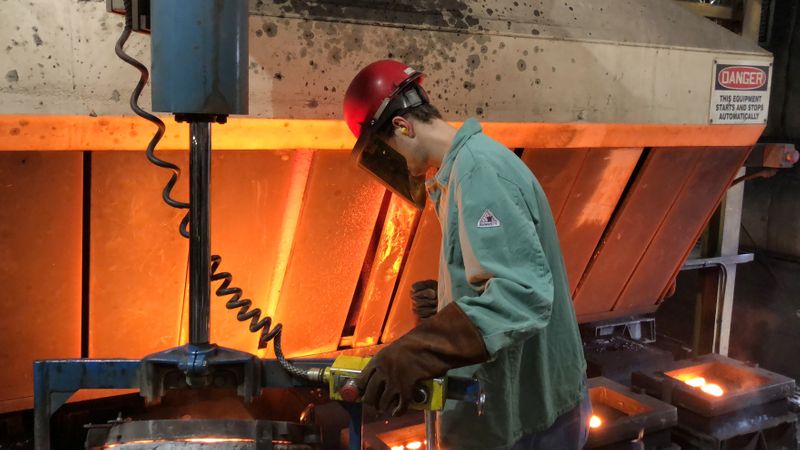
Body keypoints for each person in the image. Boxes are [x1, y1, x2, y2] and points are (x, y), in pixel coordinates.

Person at [343, 59, 589, 450]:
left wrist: (421, 349)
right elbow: (499, 269)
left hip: (528, 420)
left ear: (403, 127)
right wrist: (450, 307)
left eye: (387, 152)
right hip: (531, 409)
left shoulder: (479, 172)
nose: (396, 167)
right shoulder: (462, 169)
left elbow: (521, 295)